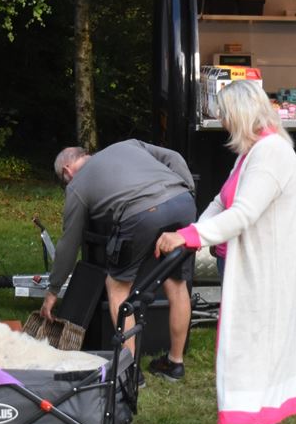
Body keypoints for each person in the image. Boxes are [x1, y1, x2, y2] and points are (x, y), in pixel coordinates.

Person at [154, 80, 296, 424]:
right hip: (251, 272)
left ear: (239, 114)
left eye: (223, 114)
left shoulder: (271, 155)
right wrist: (192, 232)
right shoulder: (251, 154)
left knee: (242, 362)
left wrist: (189, 236)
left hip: (261, 278)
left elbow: (243, 214)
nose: (220, 121)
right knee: (259, 357)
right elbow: (222, 203)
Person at [39, 139, 197, 379]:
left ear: (67, 171)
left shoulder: (77, 184)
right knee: (176, 284)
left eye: (64, 180)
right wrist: (187, 189)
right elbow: (174, 156)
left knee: (117, 287)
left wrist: (53, 290)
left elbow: (69, 243)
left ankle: (130, 371)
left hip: (141, 214)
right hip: (183, 203)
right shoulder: (128, 145)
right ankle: (175, 363)